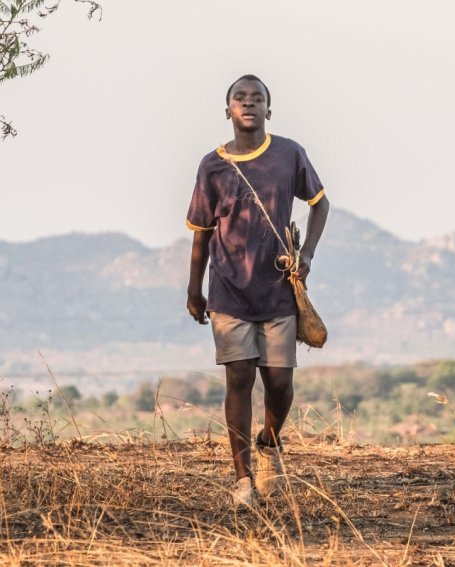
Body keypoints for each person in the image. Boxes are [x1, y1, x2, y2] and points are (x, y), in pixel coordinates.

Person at [185, 74, 330, 506]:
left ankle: (269, 441)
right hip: (228, 290)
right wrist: (195, 290)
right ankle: (243, 479)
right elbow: (201, 233)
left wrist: (309, 257)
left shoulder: (289, 155)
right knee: (239, 378)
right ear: (227, 109)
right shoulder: (211, 165)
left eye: (257, 98)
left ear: (270, 108)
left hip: (278, 290)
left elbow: (319, 203)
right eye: (240, 98)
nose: (248, 104)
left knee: (280, 382)